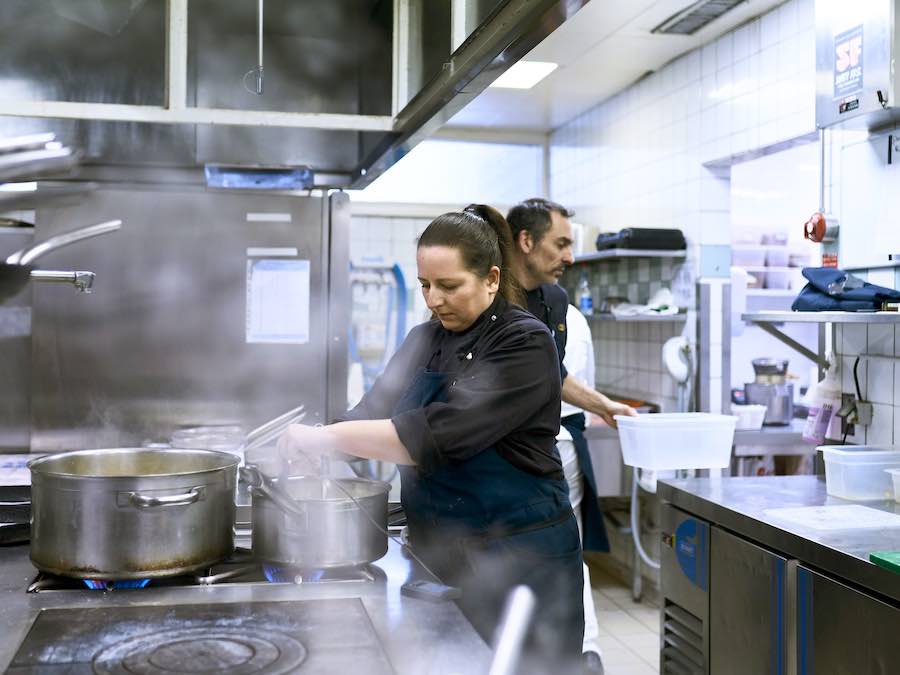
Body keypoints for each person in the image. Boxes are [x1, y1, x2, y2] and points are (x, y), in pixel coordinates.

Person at [270, 204, 585, 671]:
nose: (433, 299)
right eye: (425, 285)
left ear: (492, 278)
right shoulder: (424, 337)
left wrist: (327, 440)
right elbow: (373, 409)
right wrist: (318, 438)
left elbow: (434, 436)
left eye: (449, 286)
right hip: (442, 553)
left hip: (520, 560)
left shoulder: (524, 343)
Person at [506, 198, 638, 674]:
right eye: (561, 243)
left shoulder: (558, 305)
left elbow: (554, 376)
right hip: (503, 456)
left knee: (562, 550)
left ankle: (582, 654)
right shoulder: (492, 296)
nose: (570, 256)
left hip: (551, 447)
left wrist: (604, 406)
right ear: (525, 241)